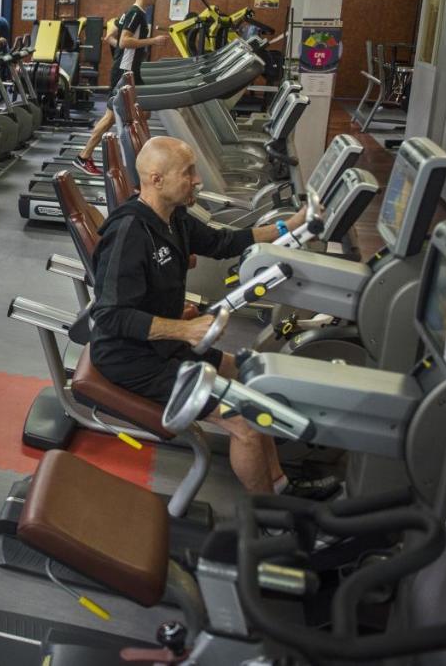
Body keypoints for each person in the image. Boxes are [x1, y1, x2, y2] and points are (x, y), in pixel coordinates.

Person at [87, 137, 338, 499]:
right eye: (188, 172)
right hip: (132, 360)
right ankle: (269, 518)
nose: (198, 180)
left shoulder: (174, 219)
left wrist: (292, 226)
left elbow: (226, 243)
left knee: (253, 377)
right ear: (156, 179)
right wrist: (183, 328)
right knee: (245, 421)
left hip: (166, 348)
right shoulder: (127, 233)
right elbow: (109, 315)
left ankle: (281, 487)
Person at [73, 0, 172, 177]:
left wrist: (121, 52)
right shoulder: (137, 14)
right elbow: (125, 41)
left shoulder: (130, 13)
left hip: (130, 70)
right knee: (110, 117)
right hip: (125, 73)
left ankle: (143, 155)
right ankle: (83, 156)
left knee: (144, 111)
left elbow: (110, 37)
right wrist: (153, 41)